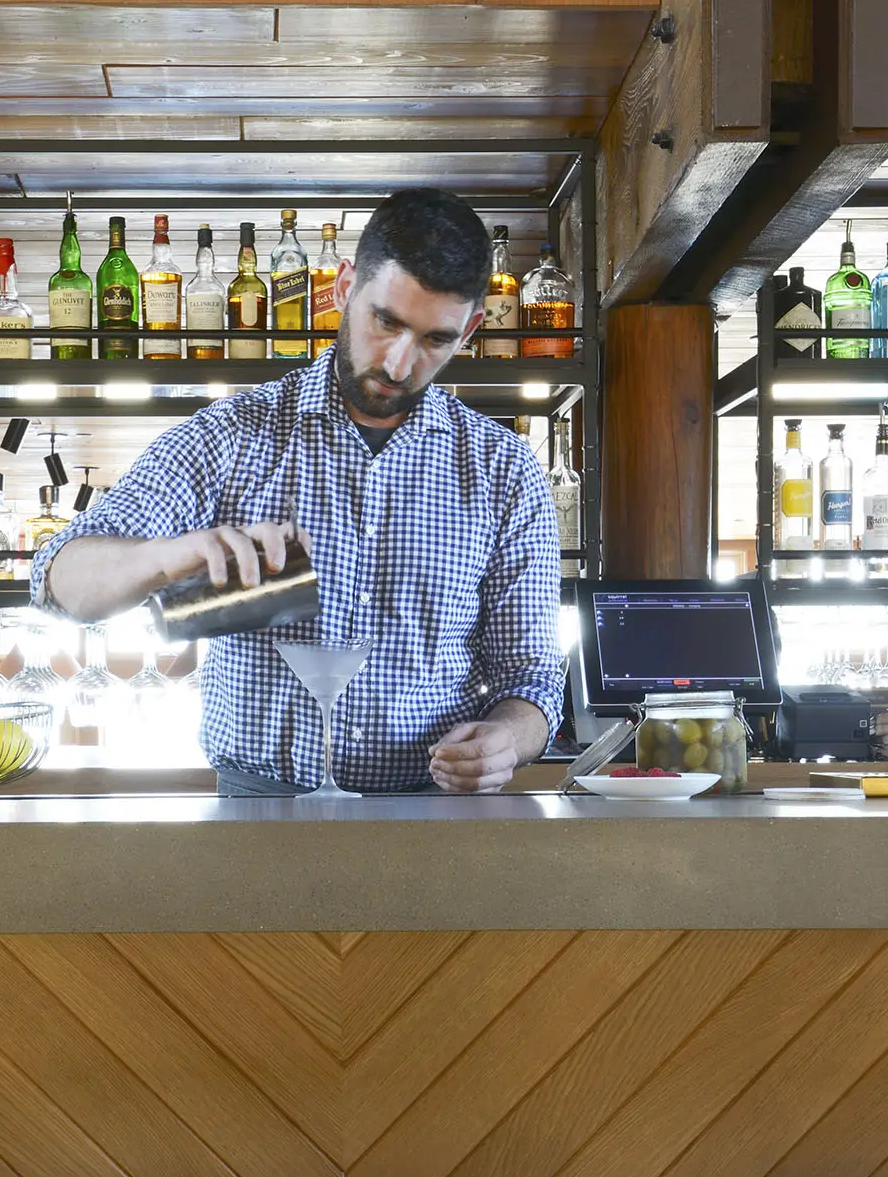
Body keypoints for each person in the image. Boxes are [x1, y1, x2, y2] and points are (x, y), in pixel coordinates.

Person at [31, 187, 563, 795]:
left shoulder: (504, 469)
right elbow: (57, 580)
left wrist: (509, 741)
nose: (396, 363)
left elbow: (533, 676)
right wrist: (166, 557)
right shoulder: (229, 438)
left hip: (432, 820)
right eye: (384, 321)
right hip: (255, 816)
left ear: (470, 329)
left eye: (434, 339)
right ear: (342, 290)